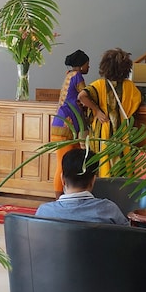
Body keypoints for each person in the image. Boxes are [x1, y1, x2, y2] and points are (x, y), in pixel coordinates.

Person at [78, 48, 142, 177]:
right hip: (123, 132)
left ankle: (103, 186)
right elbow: (136, 104)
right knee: (124, 164)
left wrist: (97, 111)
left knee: (103, 163)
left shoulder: (98, 84)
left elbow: (81, 96)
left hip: (103, 130)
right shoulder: (130, 87)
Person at [35, 148, 129, 225]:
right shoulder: (108, 210)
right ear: (93, 180)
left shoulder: (44, 212)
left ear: (62, 180)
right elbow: (129, 236)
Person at [51, 49, 90, 197]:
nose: (88, 67)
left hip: (62, 124)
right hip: (66, 127)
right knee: (63, 165)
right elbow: (84, 95)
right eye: (87, 64)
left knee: (69, 165)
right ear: (81, 65)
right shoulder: (77, 76)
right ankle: (58, 199)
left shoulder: (69, 74)